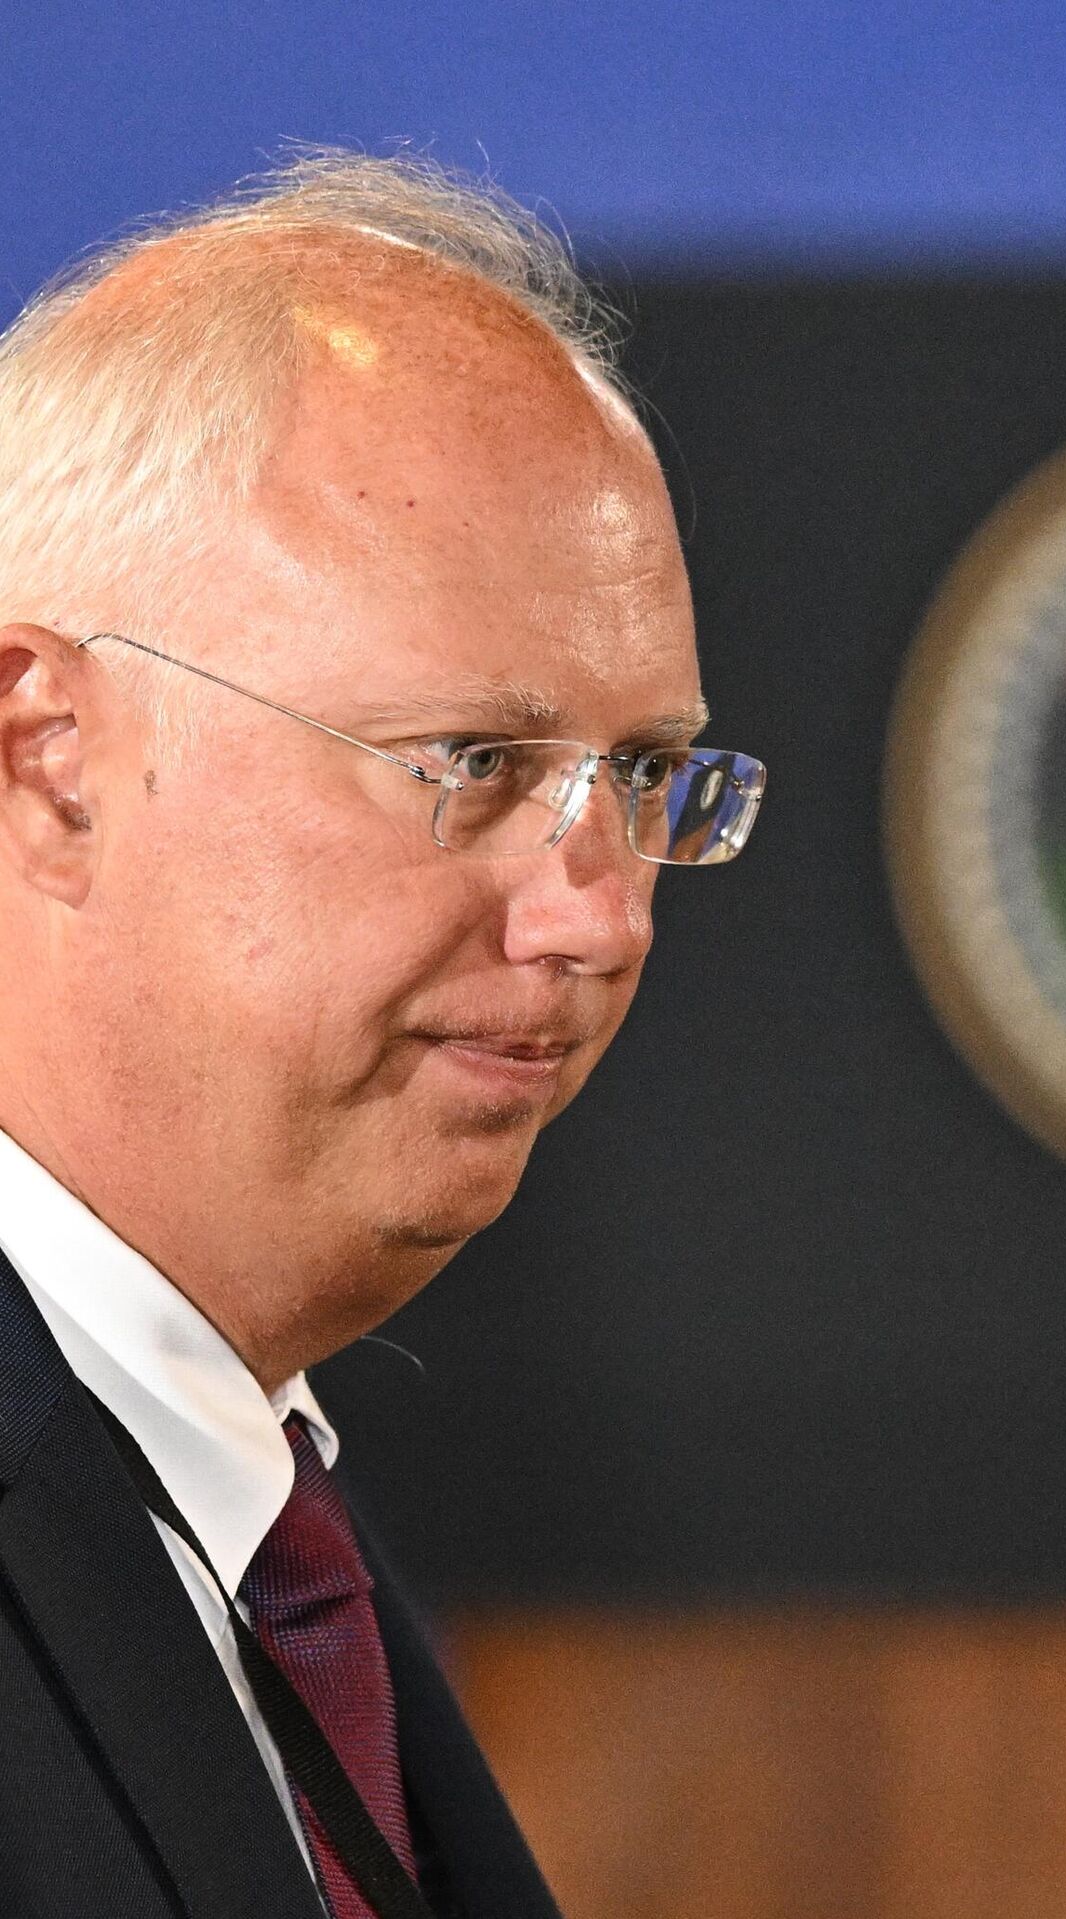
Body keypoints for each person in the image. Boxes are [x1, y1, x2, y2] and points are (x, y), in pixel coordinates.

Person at [0, 150, 763, 1918]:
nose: (599, 919)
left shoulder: (251, 1518)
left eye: (645, 775)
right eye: (471, 763)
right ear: (47, 758)